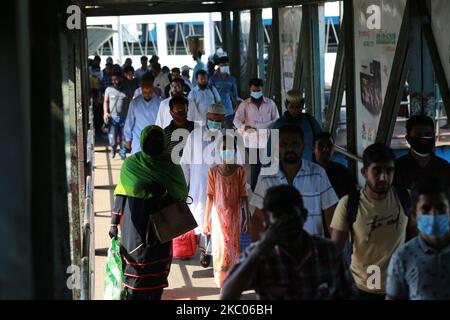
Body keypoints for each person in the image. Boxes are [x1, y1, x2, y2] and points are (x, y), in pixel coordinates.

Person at [220, 185, 357, 300]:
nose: (285, 223)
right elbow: (227, 295)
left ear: (303, 216)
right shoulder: (259, 255)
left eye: (290, 215)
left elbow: (348, 294)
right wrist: (261, 248)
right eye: (278, 217)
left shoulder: (327, 251)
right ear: (267, 221)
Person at [109, 125, 188, 300]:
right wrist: (113, 222)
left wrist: (164, 192)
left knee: (156, 280)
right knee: (134, 277)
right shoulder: (131, 164)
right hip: (134, 229)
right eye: (151, 140)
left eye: (158, 141)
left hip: (161, 229)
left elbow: (181, 193)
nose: (154, 144)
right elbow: (121, 192)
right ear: (143, 142)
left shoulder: (170, 165)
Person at [331, 143, 417, 300]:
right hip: (363, 288)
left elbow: (415, 242)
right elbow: (334, 251)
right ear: (364, 172)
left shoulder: (405, 198)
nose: (384, 177)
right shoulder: (349, 204)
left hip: (399, 286)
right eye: (377, 171)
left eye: (389, 170)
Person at [250, 125, 338, 240]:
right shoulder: (266, 176)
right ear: (277, 148)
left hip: (311, 249)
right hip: (277, 250)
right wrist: (259, 252)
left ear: (303, 147)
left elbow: (331, 215)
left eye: (295, 144)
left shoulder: (318, 174)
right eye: (284, 144)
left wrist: (335, 250)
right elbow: (258, 218)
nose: (290, 149)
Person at [386, 176, 450, 300]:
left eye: (440, 207)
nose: (434, 214)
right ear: (414, 214)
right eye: (426, 209)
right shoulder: (402, 257)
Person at [203, 135, 249, 287]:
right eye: (223, 148)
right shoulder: (213, 172)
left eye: (230, 149)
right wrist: (206, 221)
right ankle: (221, 281)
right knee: (220, 247)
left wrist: (247, 217)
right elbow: (210, 196)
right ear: (218, 150)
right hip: (218, 217)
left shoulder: (240, 171)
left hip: (235, 217)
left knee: (233, 247)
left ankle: (231, 279)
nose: (226, 151)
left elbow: (244, 196)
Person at [180, 103, 227, 236]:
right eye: (212, 120)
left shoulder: (229, 138)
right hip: (198, 188)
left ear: (224, 119)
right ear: (207, 116)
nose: (214, 123)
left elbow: (237, 166)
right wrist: (183, 187)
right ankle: (204, 251)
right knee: (200, 223)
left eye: (218, 121)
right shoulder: (195, 135)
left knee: (220, 225)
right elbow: (185, 164)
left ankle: (212, 251)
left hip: (222, 188)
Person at [233, 78, 280, 190]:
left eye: (258, 90)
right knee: (255, 168)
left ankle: (266, 190)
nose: (256, 93)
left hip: (267, 141)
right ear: (250, 90)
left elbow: (277, 119)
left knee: (266, 167)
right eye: (254, 91)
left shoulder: (270, 103)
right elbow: (236, 121)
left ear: (262, 90)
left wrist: (270, 125)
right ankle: (255, 191)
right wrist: (244, 127)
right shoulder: (245, 105)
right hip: (251, 142)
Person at [393, 114, 450, 190]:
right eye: (418, 135)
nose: (423, 139)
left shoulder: (444, 168)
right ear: (408, 139)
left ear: (434, 136)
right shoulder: (397, 169)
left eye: (427, 134)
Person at [271, 90, 322, 161]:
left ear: (303, 105)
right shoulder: (278, 125)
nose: (295, 110)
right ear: (286, 105)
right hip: (286, 167)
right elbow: (270, 149)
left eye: (298, 107)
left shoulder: (310, 121)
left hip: (308, 166)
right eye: (292, 107)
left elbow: (321, 140)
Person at [124, 78, 162, 154]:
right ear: (141, 90)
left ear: (153, 90)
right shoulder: (134, 103)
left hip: (154, 136)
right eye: (145, 92)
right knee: (137, 159)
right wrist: (127, 138)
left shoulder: (160, 102)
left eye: (150, 92)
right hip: (138, 136)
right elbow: (129, 121)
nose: (147, 94)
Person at [103, 72, 129, 160]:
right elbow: (105, 101)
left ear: (121, 79)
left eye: (116, 79)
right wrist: (105, 112)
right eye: (112, 80)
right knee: (112, 137)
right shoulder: (108, 89)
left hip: (124, 117)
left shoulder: (126, 89)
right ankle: (113, 150)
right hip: (113, 118)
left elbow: (131, 102)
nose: (114, 81)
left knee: (123, 137)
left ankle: (122, 154)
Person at [209, 56, 239, 129]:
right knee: (216, 132)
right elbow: (209, 93)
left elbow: (235, 95)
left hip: (228, 110)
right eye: (222, 65)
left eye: (226, 65)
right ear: (219, 66)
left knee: (229, 132)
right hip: (216, 110)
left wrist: (236, 107)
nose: (224, 67)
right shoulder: (213, 79)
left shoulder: (232, 79)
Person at [163, 95, 195, 161]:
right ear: (171, 113)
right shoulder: (165, 134)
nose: (181, 115)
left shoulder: (195, 128)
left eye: (184, 111)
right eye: (178, 112)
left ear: (187, 110)